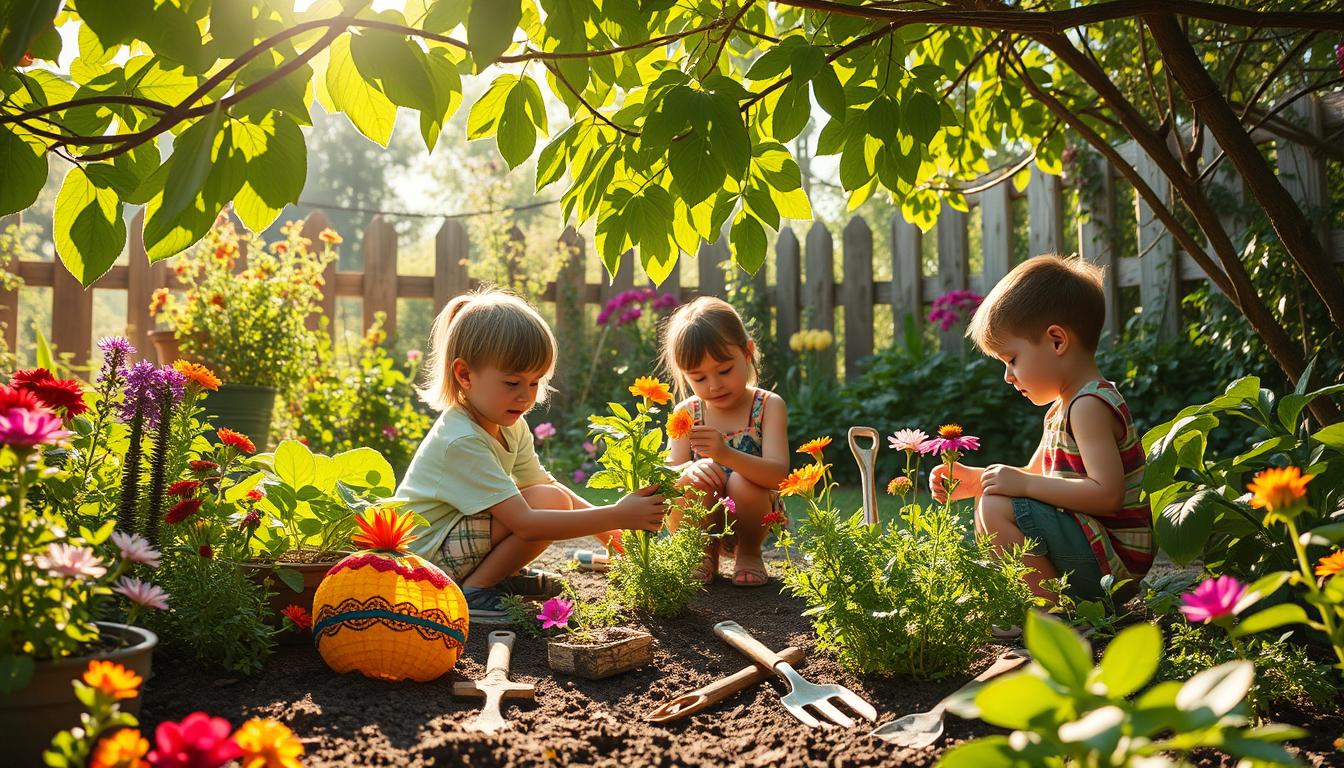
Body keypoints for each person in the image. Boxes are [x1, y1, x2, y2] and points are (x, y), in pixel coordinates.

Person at [396, 289, 664, 625]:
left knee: (547, 495)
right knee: (545, 504)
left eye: (535, 382)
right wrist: (616, 516)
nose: (525, 396)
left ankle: (494, 578)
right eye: (512, 382)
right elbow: (526, 522)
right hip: (421, 563)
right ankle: (476, 590)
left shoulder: (508, 424)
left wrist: (609, 535)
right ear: (464, 375)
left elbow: (542, 486)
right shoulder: (461, 440)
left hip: (452, 543)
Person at [933, 254, 1152, 606]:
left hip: (1114, 564)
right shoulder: (1063, 408)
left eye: (1012, 360)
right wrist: (976, 480)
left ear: (1056, 341)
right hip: (1091, 549)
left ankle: (1057, 613)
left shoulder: (1088, 406)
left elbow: (1107, 494)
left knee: (996, 507)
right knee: (988, 499)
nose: (1008, 376)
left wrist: (1021, 485)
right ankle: (1034, 602)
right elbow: (1034, 474)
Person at [662, 297, 790, 587]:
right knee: (696, 479)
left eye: (724, 370)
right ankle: (702, 553)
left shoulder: (768, 406)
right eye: (698, 377)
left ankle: (748, 553)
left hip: (752, 518)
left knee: (743, 482)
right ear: (685, 374)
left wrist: (726, 454)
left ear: (747, 353)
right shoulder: (687, 413)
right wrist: (685, 472)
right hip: (698, 521)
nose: (714, 385)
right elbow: (666, 478)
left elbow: (779, 475)